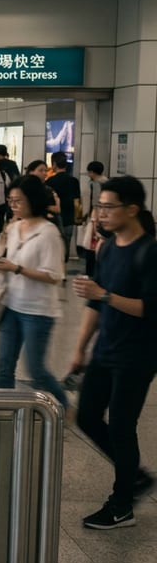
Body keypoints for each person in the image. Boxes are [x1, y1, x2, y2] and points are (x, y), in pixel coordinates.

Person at [69, 175, 157, 529]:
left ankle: (122, 504)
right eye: (99, 206)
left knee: (122, 426)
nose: (100, 213)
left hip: (138, 354)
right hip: (106, 349)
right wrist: (79, 350)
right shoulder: (106, 249)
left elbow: (149, 308)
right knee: (87, 416)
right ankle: (134, 475)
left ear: (131, 209)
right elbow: (94, 304)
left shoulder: (150, 252)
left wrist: (103, 295)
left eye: (108, 207)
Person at [0, 175, 67, 408]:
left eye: (18, 200)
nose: (14, 205)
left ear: (33, 200)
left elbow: (53, 275)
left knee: (37, 370)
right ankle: (3, 412)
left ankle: (65, 406)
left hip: (37, 310)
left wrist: (16, 268)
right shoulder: (14, 226)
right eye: (11, 200)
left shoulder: (49, 233)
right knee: (4, 366)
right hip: (11, 304)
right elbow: (10, 260)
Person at [46, 152, 80, 262]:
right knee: (66, 245)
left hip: (54, 218)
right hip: (69, 218)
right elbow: (77, 202)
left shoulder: (50, 181)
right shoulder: (74, 181)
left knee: (53, 245)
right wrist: (77, 218)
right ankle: (63, 271)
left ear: (54, 164)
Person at [79, 161, 109, 277]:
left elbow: (95, 203)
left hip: (95, 217)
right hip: (105, 217)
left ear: (92, 172)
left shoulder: (95, 184)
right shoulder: (107, 182)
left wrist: (93, 220)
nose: (88, 174)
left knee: (91, 244)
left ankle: (91, 271)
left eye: (89, 172)